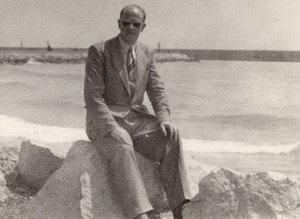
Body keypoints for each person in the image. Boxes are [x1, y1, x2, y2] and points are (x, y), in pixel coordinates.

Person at [84, 4, 191, 219]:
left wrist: (164, 118)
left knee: (171, 136)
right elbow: (93, 97)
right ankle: (140, 214)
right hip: (103, 122)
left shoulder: (146, 52)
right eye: (126, 23)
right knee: (123, 147)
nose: (130, 28)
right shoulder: (99, 51)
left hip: (136, 120)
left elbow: (157, 89)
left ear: (143, 27)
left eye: (136, 24)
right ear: (119, 24)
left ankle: (180, 207)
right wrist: (111, 127)